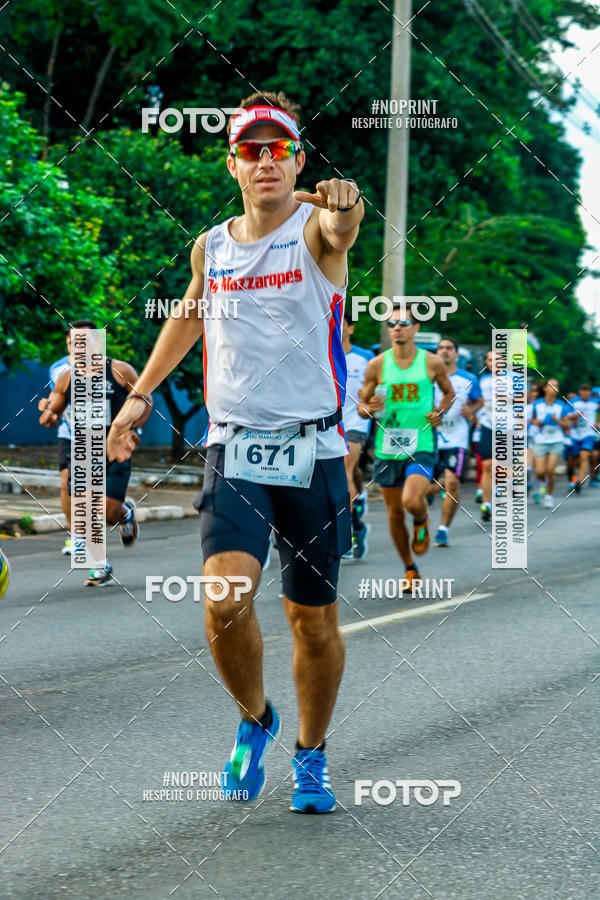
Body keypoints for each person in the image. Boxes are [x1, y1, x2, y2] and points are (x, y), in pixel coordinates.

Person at [107, 92, 364, 814]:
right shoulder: (212, 245)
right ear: (233, 165)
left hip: (313, 453)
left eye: (278, 148)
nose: (265, 161)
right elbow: (192, 312)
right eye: (251, 151)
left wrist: (347, 204)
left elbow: (344, 228)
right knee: (223, 600)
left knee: (311, 621)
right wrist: (141, 393)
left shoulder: (315, 231)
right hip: (237, 448)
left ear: (299, 160)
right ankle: (257, 719)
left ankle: (310, 757)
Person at [39, 321, 151, 585]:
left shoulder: (119, 370)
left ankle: (125, 515)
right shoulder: (66, 378)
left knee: (108, 511)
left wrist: (135, 429)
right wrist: (49, 415)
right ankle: (100, 565)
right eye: (71, 343)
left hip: (114, 449)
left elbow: (145, 398)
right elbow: (54, 409)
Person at [358, 306, 454, 587]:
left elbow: (449, 392)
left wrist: (440, 412)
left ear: (416, 328)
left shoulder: (431, 362)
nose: (397, 327)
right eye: (392, 323)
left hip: (421, 441)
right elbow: (363, 406)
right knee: (394, 513)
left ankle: (422, 519)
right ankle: (410, 568)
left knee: (411, 501)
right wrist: (368, 407)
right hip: (387, 447)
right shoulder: (377, 364)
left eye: (404, 322)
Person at [431, 337, 483, 546]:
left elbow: (478, 400)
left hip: (456, 438)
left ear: (456, 354)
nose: (444, 351)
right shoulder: (428, 377)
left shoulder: (468, 378)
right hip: (430, 437)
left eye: (449, 348)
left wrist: (471, 410)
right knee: (425, 488)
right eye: (441, 348)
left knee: (452, 483)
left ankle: (443, 529)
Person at [38, 327, 80, 555]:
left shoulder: (109, 368)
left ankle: (123, 512)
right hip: (69, 433)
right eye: (71, 342)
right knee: (67, 483)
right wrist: (48, 407)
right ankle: (75, 536)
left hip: (102, 436)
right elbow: (57, 398)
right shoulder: (58, 368)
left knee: (102, 499)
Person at [341, 309, 373, 559]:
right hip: (325, 425)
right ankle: (358, 525)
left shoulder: (365, 358)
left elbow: (379, 389)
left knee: (345, 473)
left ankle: (347, 534)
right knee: (347, 477)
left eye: (342, 323)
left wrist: (369, 405)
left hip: (356, 422)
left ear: (351, 328)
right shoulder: (319, 353)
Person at [530, 378, 569, 509]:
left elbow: (566, 425)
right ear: (546, 388)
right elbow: (533, 420)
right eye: (551, 386)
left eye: (556, 386)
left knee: (550, 469)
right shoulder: (538, 404)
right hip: (541, 440)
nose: (554, 388)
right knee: (540, 471)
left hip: (556, 440)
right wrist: (538, 423)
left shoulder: (561, 406)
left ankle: (549, 496)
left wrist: (557, 420)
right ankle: (542, 484)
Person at [565, 384, 600, 493]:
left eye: (587, 391)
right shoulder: (573, 402)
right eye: (583, 391)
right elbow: (566, 417)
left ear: (590, 392)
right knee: (572, 462)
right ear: (579, 391)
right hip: (574, 434)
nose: (585, 393)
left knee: (585, 456)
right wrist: (576, 416)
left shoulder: (595, 402)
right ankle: (573, 480)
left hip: (588, 433)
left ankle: (579, 482)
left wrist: (597, 422)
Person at [477, 350, 494, 521]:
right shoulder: (482, 380)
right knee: (487, 464)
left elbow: (524, 399)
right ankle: (486, 503)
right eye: (490, 360)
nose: (493, 363)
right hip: (487, 424)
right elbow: (478, 400)